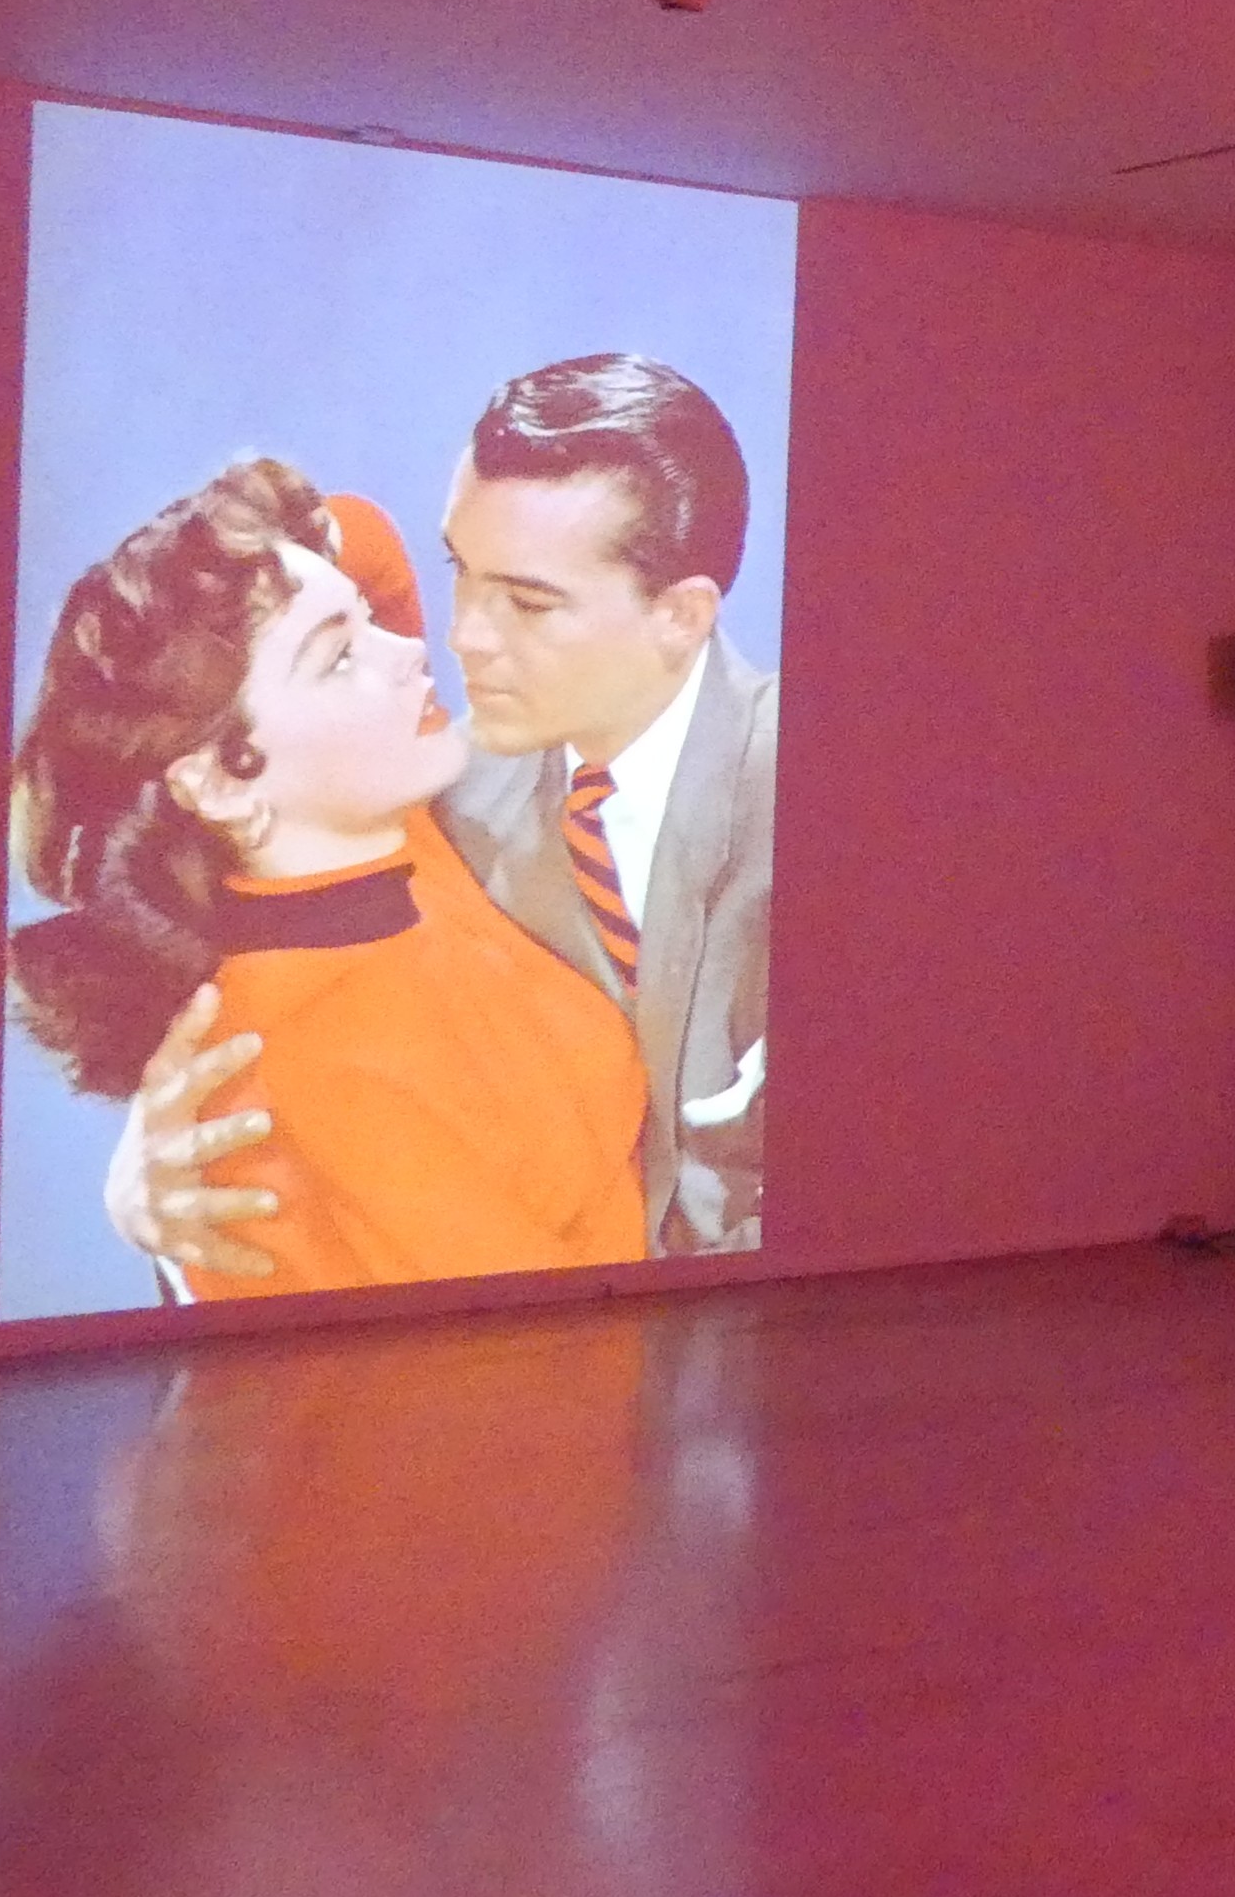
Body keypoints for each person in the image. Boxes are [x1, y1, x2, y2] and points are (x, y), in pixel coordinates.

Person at [109, 356, 778, 1280]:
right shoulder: (432, 795)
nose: (458, 639)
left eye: (528, 602)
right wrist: (151, 1175)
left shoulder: (821, 791)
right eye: (460, 571)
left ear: (681, 617)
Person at [12, 459, 648, 1296]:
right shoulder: (318, 1070)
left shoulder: (377, 850)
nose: (411, 650)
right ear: (221, 782)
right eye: (340, 656)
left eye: (364, 621)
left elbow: (364, 538)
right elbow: (566, 1353)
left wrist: (237, 554)